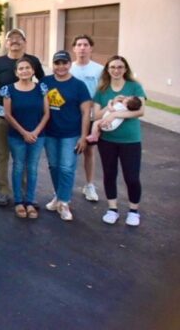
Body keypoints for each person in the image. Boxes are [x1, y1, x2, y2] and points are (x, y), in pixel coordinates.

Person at [0, 28, 45, 207]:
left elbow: (42, 85)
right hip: (1, 116)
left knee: (24, 159)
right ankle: (3, 192)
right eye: (11, 38)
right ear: (6, 43)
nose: (15, 41)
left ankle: (26, 194)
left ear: (25, 42)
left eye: (19, 38)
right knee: (2, 156)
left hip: (27, 118)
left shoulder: (33, 61)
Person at [92, 55, 146, 226]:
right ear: (107, 70)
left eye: (120, 67)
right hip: (107, 140)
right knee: (109, 174)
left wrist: (115, 114)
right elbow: (96, 115)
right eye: (113, 67)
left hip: (130, 140)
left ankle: (133, 211)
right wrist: (110, 106)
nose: (116, 70)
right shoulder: (102, 90)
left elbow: (140, 111)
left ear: (125, 69)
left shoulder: (134, 86)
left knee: (132, 177)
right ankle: (112, 209)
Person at [42, 50, 92, 222]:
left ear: (70, 64)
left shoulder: (79, 85)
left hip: (71, 134)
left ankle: (64, 202)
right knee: (54, 166)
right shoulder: (45, 82)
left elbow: (86, 112)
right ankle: (58, 196)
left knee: (67, 168)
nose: (61, 66)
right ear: (53, 65)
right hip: (49, 133)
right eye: (57, 63)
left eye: (64, 63)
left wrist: (83, 136)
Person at [0, 57, 49, 219]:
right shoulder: (8, 90)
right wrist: (24, 133)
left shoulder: (41, 88)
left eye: (27, 68)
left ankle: (30, 201)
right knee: (18, 167)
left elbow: (46, 113)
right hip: (16, 136)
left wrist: (35, 132)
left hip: (38, 136)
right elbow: (8, 115)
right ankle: (18, 202)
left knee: (33, 168)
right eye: (21, 68)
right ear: (16, 72)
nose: (24, 71)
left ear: (33, 70)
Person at [70, 34, 104, 202]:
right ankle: (64, 188)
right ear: (74, 48)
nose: (82, 48)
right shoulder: (68, 68)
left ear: (91, 48)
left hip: (91, 117)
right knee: (69, 152)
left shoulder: (99, 69)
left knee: (89, 151)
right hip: (71, 116)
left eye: (85, 45)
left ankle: (89, 185)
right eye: (79, 45)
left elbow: (102, 93)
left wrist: (99, 116)